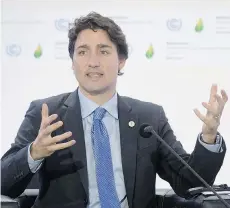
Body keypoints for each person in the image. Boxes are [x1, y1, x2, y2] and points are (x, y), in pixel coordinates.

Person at [1, 12, 228, 208]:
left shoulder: (148, 118)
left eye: (104, 51)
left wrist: (208, 138)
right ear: (72, 61)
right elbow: (5, 184)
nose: (93, 62)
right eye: (82, 52)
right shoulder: (47, 114)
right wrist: (33, 153)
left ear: (121, 61)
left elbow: (189, 183)